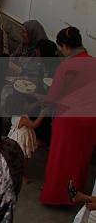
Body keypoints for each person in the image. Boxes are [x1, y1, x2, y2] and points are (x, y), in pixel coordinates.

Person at [39, 27, 96, 206]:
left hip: (68, 119)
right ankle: (76, 192)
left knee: (61, 158)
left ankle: (56, 197)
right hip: (91, 120)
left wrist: (40, 99)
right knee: (81, 157)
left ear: (64, 46)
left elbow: (54, 96)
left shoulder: (66, 66)